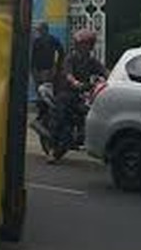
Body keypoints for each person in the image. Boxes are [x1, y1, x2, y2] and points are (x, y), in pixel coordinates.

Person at [49, 28, 107, 160]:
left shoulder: (91, 61)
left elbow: (103, 70)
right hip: (67, 91)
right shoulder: (71, 58)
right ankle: (53, 148)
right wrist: (74, 82)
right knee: (60, 116)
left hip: (82, 93)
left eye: (89, 43)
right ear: (78, 44)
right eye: (84, 43)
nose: (86, 46)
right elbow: (68, 73)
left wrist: (112, 78)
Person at [31, 22, 64, 89]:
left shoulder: (51, 40)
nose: (38, 32)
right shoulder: (37, 41)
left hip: (47, 69)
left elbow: (61, 52)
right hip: (40, 70)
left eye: (39, 30)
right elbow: (33, 56)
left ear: (45, 30)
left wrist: (57, 66)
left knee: (45, 87)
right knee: (41, 88)